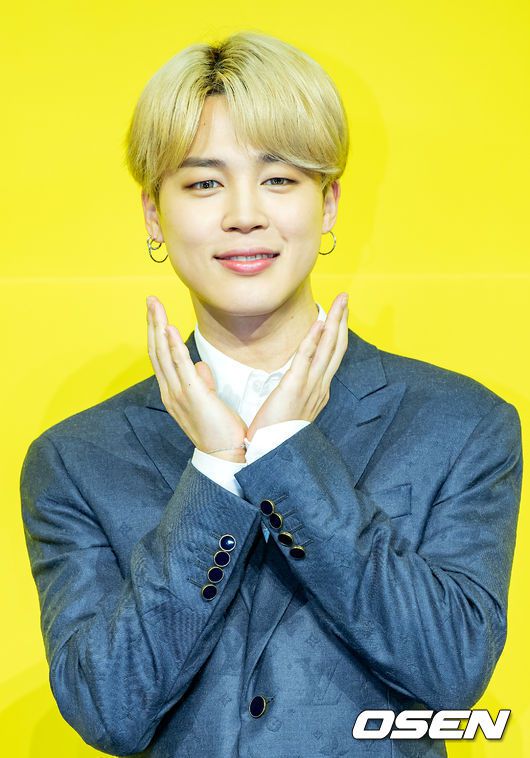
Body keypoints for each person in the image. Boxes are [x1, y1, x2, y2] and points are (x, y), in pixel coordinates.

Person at [20, 30, 523, 758]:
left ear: (328, 204)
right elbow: (107, 710)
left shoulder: (462, 425)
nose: (244, 214)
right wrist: (214, 473)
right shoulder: (74, 460)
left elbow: (451, 669)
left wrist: (287, 455)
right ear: (154, 214)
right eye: (203, 183)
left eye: (280, 179)